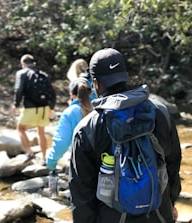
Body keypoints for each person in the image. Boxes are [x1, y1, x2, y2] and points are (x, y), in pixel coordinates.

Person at [69, 48, 181, 223]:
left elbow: (81, 192)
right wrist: (171, 201)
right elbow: (172, 165)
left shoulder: (87, 128)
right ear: (125, 76)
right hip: (159, 214)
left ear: (95, 83)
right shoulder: (161, 113)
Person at [12, 54, 56, 165]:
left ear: (23, 63)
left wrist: (15, 104)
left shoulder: (21, 73)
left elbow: (18, 90)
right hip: (44, 107)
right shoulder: (43, 74)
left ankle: (29, 153)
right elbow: (52, 92)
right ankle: (44, 158)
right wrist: (51, 107)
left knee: (20, 128)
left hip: (30, 107)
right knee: (41, 132)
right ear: (33, 63)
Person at [46, 77, 93, 170]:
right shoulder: (100, 108)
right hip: (105, 163)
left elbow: (61, 143)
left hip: (81, 165)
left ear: (72, 95)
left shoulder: (70, 112)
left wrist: (51, 162)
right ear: (91, 93)